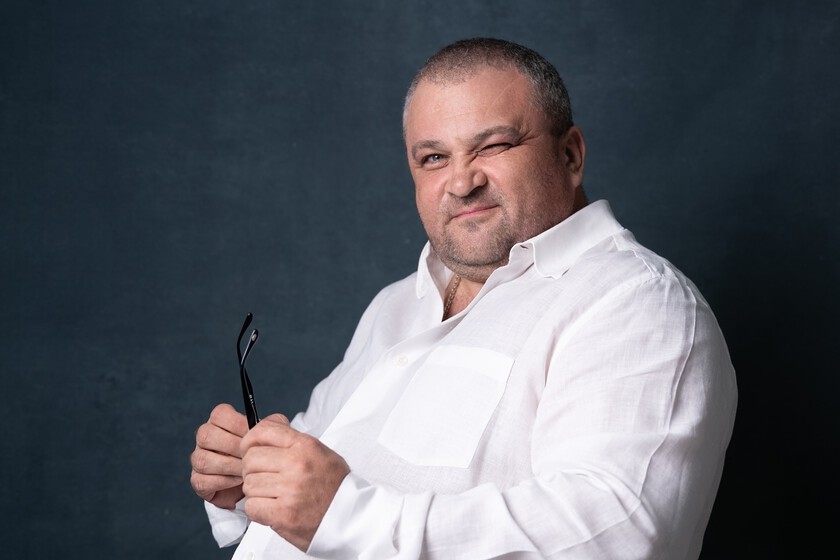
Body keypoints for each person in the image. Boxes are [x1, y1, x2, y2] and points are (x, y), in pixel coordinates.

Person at [190, 37, 737, 559]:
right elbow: (320, 487)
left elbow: (617, 536)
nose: (460, 182)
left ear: (570, 155)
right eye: (433, 158)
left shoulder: (636, 302)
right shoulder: (395, 305)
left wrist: (344, 517)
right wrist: (249, 481)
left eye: (493, 146)